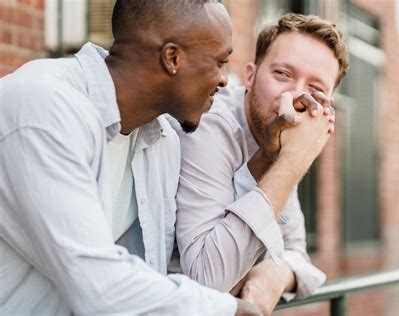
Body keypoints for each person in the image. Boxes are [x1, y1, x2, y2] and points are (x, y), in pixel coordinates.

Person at [0, 1, 258, 315]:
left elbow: (159, 273)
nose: (223, 80)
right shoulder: (44, 110)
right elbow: (99, 285)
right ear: (172, 58)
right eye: (220, 61)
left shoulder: (162, 138)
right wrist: (227, 310)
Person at [172, 13, 349, 315]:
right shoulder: (211, 123)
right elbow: (206, 283)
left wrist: (278, 275)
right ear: (251, 75)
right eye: (282, 74)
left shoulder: (282, 141)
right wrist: (292, 162)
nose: (295, 97)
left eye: (316, 90)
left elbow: (297, 252)